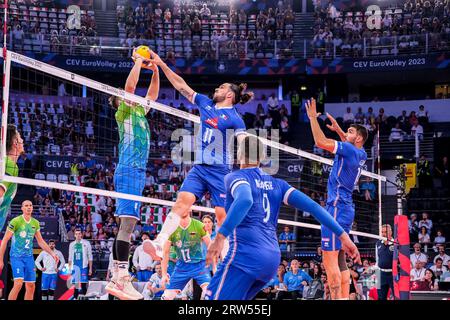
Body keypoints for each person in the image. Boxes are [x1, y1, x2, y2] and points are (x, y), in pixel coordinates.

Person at [204, 135, 359, 300]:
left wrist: (220, 237)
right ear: (263, 158)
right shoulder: (278, 184)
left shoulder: (235, 177)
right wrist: (344, 236)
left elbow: (245, 199)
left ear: (239, 155)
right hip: (271, 261)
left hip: (245, 257)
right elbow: (314, 207)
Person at [144, 51, 249, 262]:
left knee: (222, 216)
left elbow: (244, 147)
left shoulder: (236, 119)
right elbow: (180, 85)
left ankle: (229, 255)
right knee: (181, 203)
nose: (216, 89)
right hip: (200, 168)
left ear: (230, 95)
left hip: (221, 171)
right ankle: (160, 241)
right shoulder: (205, 104)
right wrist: (162, 64)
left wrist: (245, 175)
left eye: (221, 88)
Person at [106, 47, 160, 300]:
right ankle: (120, 276)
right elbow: (129, 88)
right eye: (122, 96)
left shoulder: (139, 111)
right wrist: (138, 61)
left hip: (138, 172)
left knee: (129, 224)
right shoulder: (123, 111)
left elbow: (152, 94)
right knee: (127, 224)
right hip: (128, 170)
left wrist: (156, 70)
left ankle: (118, 274)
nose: (129, 97)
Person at [305, 98, 367, 300]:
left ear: (358, 138)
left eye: (350, 132)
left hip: (336, 208)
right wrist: (340, 130)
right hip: (347, 209)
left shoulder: (350, 149)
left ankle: (336, 297)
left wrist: (313, 118)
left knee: (329, 258)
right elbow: (349, 144)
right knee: (341, 258)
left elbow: (320, 142)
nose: (345, 134)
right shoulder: (361, 153)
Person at [0, 200, 59, 300]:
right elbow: (5, 240)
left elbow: (40, 242)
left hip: (29, 258)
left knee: (31, 286)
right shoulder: (16, 221)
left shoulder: (35, 223)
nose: (29, 207)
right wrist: (0, 259)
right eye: (26, 205)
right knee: (18, 284)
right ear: (22, 208)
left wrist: (52, 254)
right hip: (16, 257)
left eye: (30, 205)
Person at [160, 213, 211, 300]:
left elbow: (211, 246)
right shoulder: (172, 228)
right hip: (182, 267)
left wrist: (213, 265)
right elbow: (165, 252)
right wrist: (164, 274)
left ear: (190, 208)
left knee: (210, 293)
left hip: (199, 266)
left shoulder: (199, 225)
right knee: (166, 297)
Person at [0, 125, 24, 232]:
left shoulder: (9, 164)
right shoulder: (10, 166)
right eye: (20, 138)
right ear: (15, 143)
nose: (23, 140)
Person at [68, 228, 93, 300]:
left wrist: (90, 268)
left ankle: (84, 298)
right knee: (76, 287)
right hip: (75, 268)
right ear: (74, 235)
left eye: (79, 234)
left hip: (84, 267)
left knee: (83, 286)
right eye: (76, 234)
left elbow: (90, 256)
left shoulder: (86, 243)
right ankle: (75, 298)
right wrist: (70, 269)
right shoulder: (71, 244)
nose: (78, 235)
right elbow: (70, 257)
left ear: (81, 234)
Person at [375, 224, 394, 300]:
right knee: (381, 297)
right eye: (382, 232)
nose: (383, 234)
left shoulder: (396, 243)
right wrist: (376, 273)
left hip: (393, 274)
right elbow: (377, 259)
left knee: (397, 296)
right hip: (381, 274)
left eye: (385, 232)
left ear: (391, 232)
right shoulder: (378, 243)